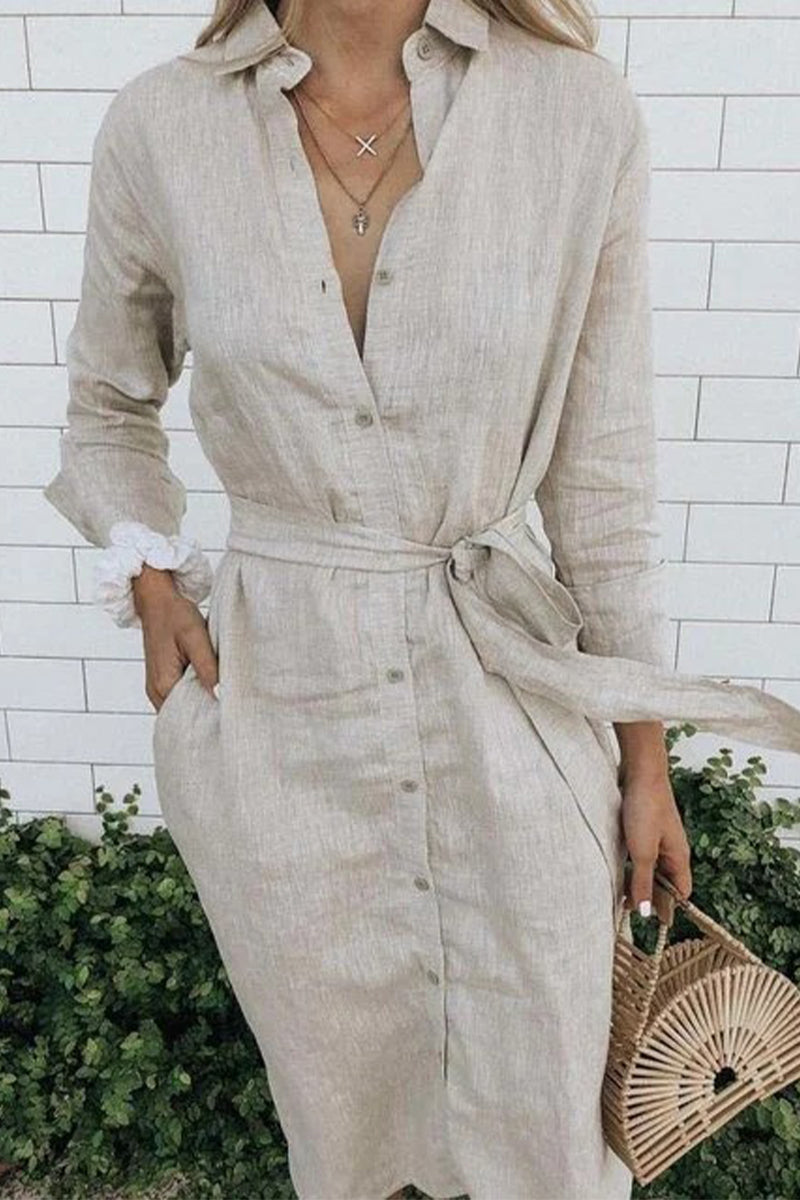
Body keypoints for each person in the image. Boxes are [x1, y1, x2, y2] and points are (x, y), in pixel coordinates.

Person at [42, 1, 800, 1197]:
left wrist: (641, 758)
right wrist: (151, 574)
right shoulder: (164, 127)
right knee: (344, 1118)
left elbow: (600, 477)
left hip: (509, 705)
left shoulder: (572, 113)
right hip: (281, 720)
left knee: (544, 1116)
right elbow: (106, 403)